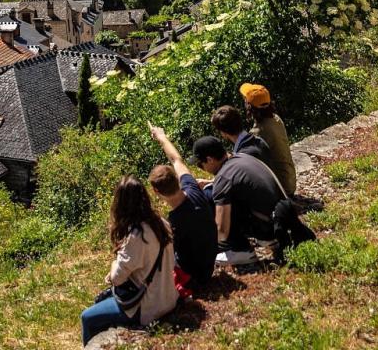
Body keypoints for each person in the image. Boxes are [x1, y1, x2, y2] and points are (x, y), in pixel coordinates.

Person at [80, 176, 178, 346]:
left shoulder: (136, 236)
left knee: (87, 317)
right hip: (168, 296)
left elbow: (117, 278)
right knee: (102, 301)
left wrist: (112, 268)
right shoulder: (161, 223)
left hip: (148, 307)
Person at [190, 136, 281, 266]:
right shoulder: (241, 157)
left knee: (209, 194)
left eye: (200, 164)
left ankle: (241, 250)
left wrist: (208, 249)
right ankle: (267, 238)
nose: (201, 168)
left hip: (267, 227)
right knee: (214, 189)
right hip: (279, 219)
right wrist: (212, 182)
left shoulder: (223, 178)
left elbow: (222, 229)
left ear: (209, 160)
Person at [148, 123, 217, 287]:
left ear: (156, 192)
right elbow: (176, 159)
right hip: (209, 265)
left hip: (194, 276)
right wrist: (162, 137)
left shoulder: (174, 223)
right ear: (177, 179)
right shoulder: (192, 188)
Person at [240, 83, 297, 196]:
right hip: (289, 182)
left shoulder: (257, 133)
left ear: (249, 105)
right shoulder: (276, 119)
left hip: (281, 189)